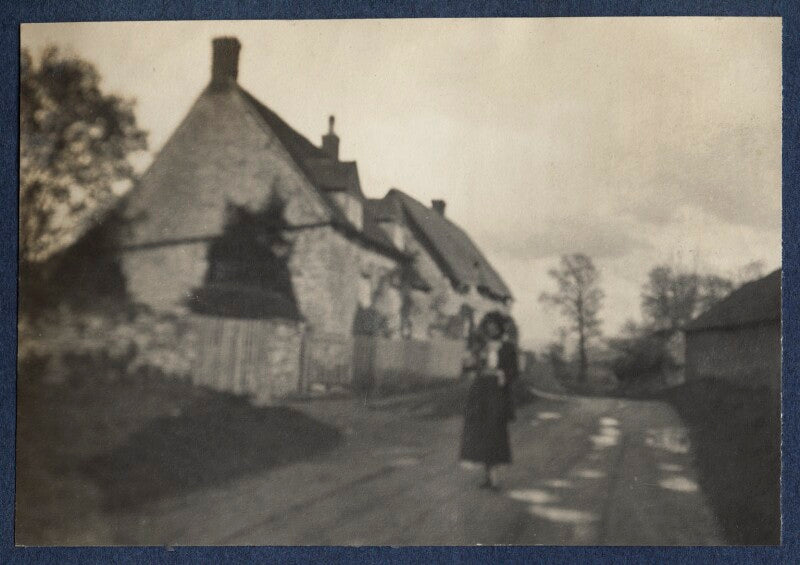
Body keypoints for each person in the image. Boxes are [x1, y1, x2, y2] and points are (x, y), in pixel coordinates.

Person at [459, 311, 519, 490]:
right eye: (489, 326)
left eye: (495, 326)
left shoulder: (507, 348)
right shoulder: (481, 347)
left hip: (497, 394)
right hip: (480, 394)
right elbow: (470, 367)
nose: (492, 329)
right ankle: (487, 476)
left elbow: (514, 371)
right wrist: (469, 362)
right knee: (482, 433)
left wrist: (502, 374)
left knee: (495, 433)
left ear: (500, 328)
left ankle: (494, 477)